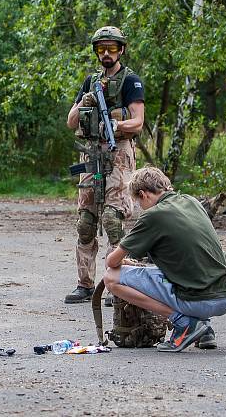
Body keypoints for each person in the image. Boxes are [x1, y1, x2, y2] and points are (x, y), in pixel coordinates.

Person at [103, 166, 226, 352]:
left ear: (143, 194)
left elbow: (112, 262)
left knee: (111, 278)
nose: (139, 207)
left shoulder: (153, 215)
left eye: (137, 202)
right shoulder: (191, 201)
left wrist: (120, 261)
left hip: (200, 300)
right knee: (184, 268)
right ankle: (205, 329)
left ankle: (183, 322)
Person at [65, 26, 145, 304]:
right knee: (86, 221)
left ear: (121, 49)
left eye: (112, 48)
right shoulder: (90, 82)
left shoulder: (130, 81)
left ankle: (117, 283)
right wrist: (85, 101)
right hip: (90, 153)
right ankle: (85, 284)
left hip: (119, 153)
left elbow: (138, 122)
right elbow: (71, 122)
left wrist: (116, 123)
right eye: (102, 49)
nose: (107, 54)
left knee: (113, 219)